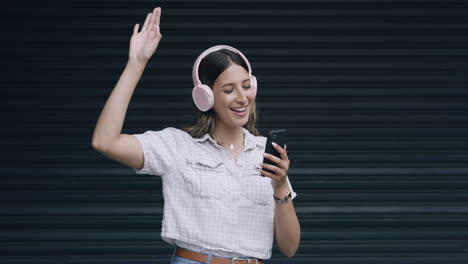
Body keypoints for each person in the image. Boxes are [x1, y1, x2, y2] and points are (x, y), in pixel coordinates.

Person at [91, 6, 301, 264]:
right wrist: (136, 64)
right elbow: (105, 141)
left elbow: (290, 247)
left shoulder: (264, 153)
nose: (242, 97)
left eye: (246, 86)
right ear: (206, 97)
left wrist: (280, 186)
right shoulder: (178, 147)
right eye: (228, 90)